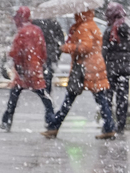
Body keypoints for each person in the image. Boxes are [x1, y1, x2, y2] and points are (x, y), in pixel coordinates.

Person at [41, 9, 116, 140]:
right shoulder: (90, 24)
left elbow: (85, 47)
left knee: (70, 98)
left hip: (85, 68)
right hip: (92, 66)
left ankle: (54, 126)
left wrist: (67, 47)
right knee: (98, 98)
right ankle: (109, 127)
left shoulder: (84, 27)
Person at [0, 7, 54, 132]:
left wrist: (11, 56)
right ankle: (50, 120)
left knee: (14, 96)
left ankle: (7, 121)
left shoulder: (22, 32)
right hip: (35, 68)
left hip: (23, 70)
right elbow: (43, 49)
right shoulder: (37, 30)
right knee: (43, 95)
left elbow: (16, 51)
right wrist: (40, 62)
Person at [102, 2, 130, 134]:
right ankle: (121, 125)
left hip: (111, 70)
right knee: (122, 99)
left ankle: (109, 124)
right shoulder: (128, 28)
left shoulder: (109, 30)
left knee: (108, 98)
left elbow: (104, 52)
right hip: (124, 70)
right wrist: (127, 62)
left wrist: (107, 64)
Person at [32, 17, 64, 94]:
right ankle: (46, 91)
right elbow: (61, 40)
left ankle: (39, 88)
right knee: (48, 74)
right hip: (50, 52)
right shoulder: (54, 23)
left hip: (38, 51)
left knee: (38, 72)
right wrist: (57, 53)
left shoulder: (34, 23)